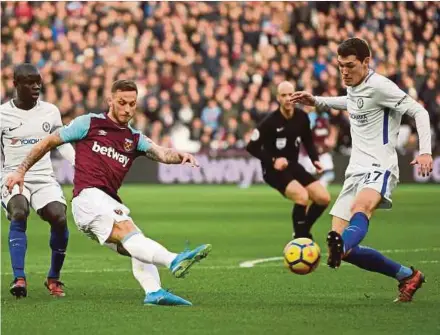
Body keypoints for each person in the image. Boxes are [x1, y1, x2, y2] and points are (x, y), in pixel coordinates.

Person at [4, 79, 212, 306]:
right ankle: (174, 260)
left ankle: (154, 292)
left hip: (105, 202)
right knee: (129, 232)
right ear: (110, 101)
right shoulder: (89, 123)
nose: (127, 109)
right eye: (122, 102)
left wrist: (180, 156)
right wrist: (21, 170)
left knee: (135, 243)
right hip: (88, 198)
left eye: (132, 104)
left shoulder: (134, 138)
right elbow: (49, 142)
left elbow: (162, 153)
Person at [291, 38, 433, 302]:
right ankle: (406, 275)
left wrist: (425, 151)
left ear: (366, 62)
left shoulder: (381, 86)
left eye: (350, 66)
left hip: (380, 166)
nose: (344, 72)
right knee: (344, 250)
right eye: (340, 66)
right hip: (354, 171)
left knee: (360, 208)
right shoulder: (356, 87)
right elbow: (351, 102)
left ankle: (343, 244)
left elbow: (419, 112)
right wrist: (317, 101)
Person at [0, 63, 76, 298]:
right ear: (15, 84)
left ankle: (53, 278)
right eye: (29, 82)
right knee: (19, 211)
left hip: (43, 177)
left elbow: (61, 143)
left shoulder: (50, 111)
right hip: (12, 175)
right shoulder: (2, 114)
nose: (36, 87)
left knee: (59, 217)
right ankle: (19, 278)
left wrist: (80, 167)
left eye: (38, 82)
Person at [246, 81, 331, 240]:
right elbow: (251, 147)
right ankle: (300, 238)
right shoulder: (270, 122)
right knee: (302, 196)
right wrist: (273, 160)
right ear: (278, 98)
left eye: (291, 94)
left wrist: (315, 160)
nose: (287, 98)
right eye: (283, 95)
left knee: (323, 198)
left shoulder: (302, 117)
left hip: (293, 166)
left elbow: (308, 140)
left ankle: (302, 230)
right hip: (273, 171)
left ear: (296, 97)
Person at [298, 108, 339, 188]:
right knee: (309, 176)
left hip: (323, 152)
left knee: (330, 174)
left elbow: (333, 129)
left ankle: (319, 188)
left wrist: (331, 139)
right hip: (308, 154)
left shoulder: (326, 117)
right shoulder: (311, 118)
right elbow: (304, 135)